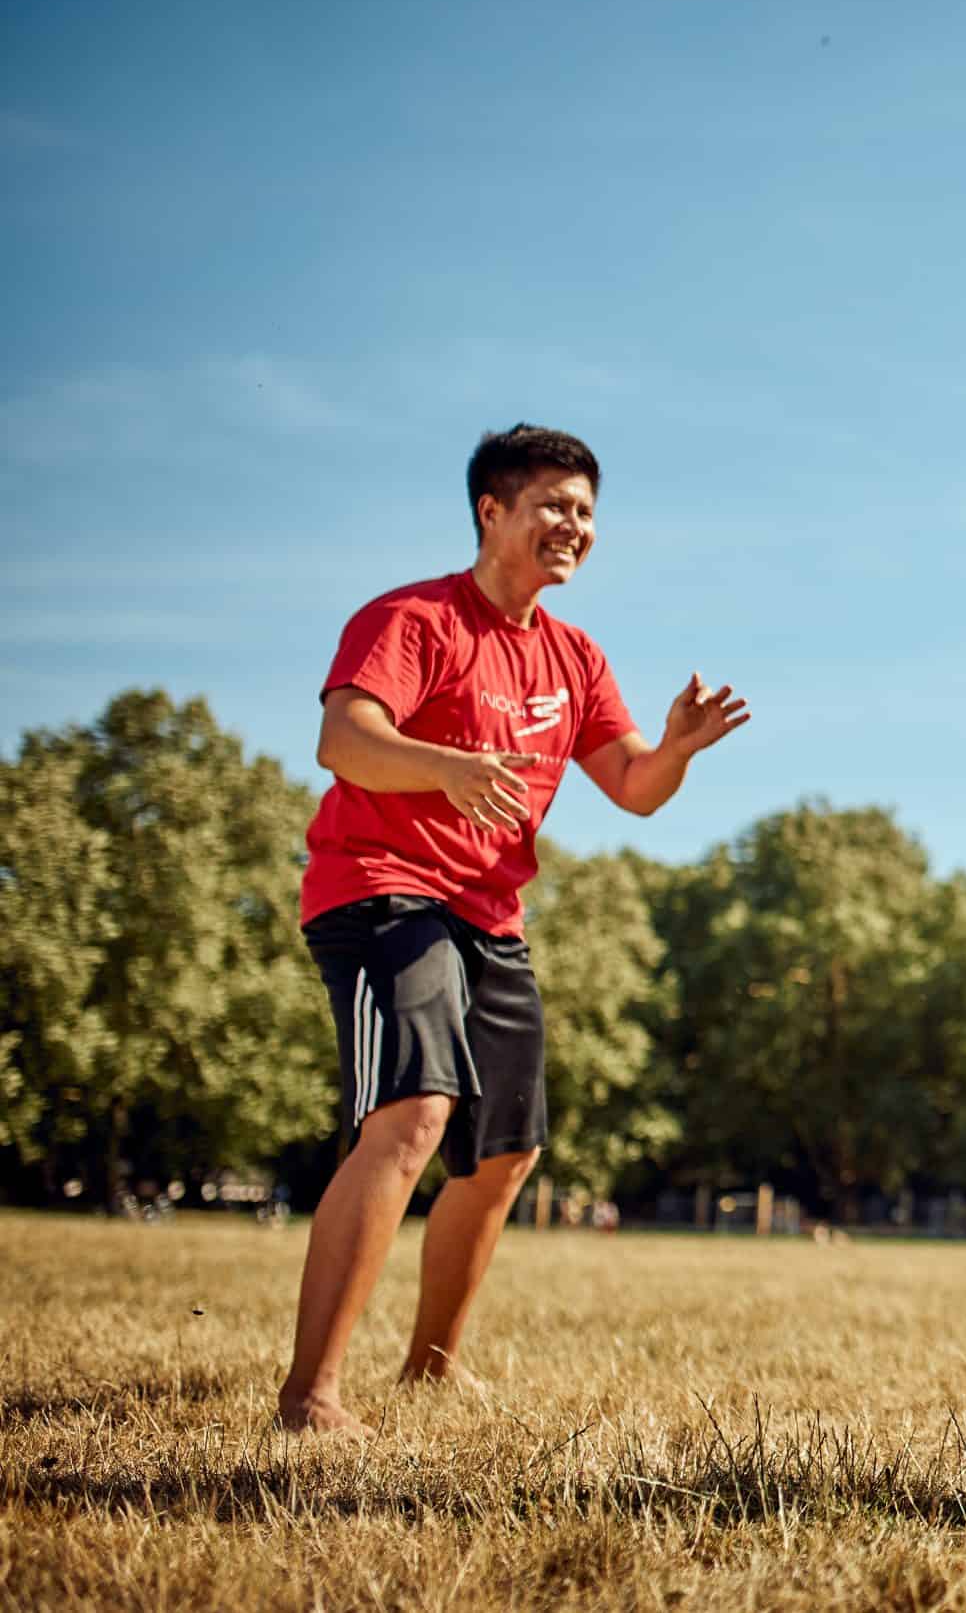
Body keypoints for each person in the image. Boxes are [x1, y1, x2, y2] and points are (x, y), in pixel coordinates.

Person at [277, 424, 749, 1436]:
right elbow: (343, 739)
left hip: (491, 916)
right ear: (491, 512)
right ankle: (311, 1395)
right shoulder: (412, 620)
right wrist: (443, 766)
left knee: (503, 1154)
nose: (573, 526)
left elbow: (632, 790)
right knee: (411, 1120)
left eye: (585, 512)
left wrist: (675, 749)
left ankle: (431, 1369)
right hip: (382, 893)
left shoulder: (575, 657)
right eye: (552, 506)